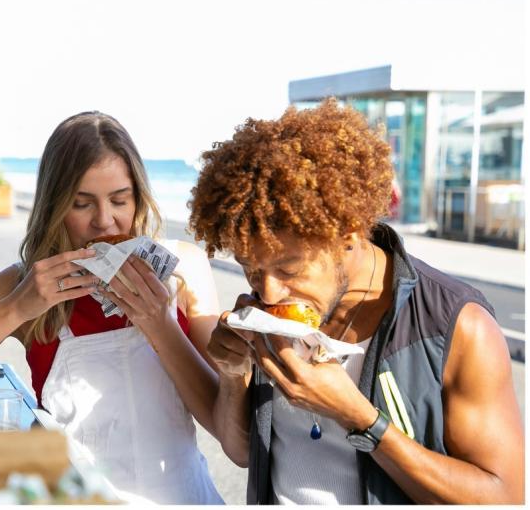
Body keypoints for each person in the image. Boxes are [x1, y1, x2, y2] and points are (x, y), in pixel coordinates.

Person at [189, 98, 524, 504]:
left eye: (290, 270)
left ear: (348, 237)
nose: (269, 292)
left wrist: (359, 418)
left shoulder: (455, 325)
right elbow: (241, 453)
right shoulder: (262, 316)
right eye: (251, 269)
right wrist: (231, 375)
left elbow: (502, 497)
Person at [0, 111, 224, 504]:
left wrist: (162, 325)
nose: (105, 221)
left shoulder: (184, 270)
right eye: (82, 203)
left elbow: (226, 425)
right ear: (55, 206)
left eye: (119, 200)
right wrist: (15, 309)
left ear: (139, 197)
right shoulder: (23, 284)